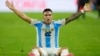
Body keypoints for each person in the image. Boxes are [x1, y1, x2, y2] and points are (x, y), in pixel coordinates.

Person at [5, 0, 91, 56]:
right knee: (35, 49)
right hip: (42, 50)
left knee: (65, 49)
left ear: (52, 16)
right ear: (43, 17)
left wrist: (82, 11)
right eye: (46, 15)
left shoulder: (57, 23)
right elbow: (24, 17)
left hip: (55, 50)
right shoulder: (38, 23)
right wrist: (14, 9)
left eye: (49, 15)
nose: (48, 17)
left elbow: (71, 18)